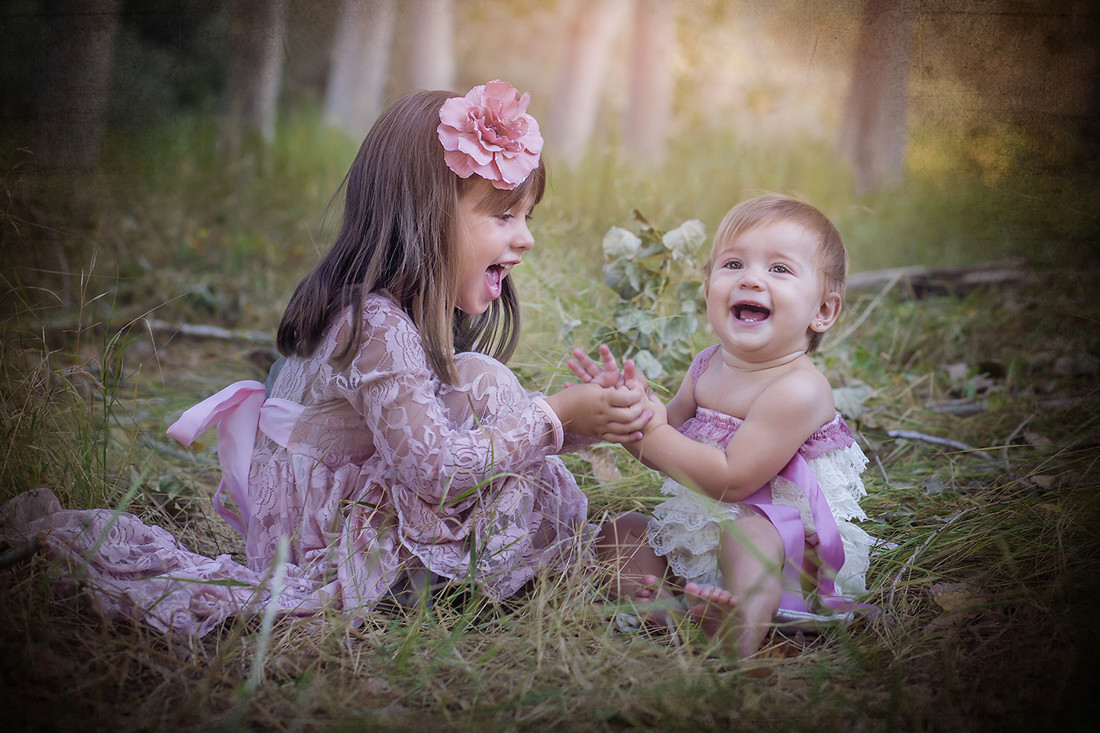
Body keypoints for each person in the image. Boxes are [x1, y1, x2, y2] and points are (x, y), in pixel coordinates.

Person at [0, 81, 649, 639]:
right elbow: (433, 468)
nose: (526, 237)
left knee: (492, 395)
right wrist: (552, 418)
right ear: (423, 216)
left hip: (336, 514)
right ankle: (493, 581)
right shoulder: (374, 322)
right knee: (507, 423)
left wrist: (583, 421)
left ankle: (553, 567)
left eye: (527, 215)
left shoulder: (397, 315)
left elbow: (434, 443)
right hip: (317, 544)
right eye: (504, 213)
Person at [570, 194, 873, 659]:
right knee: (621, 530)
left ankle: (743, 629)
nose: (751, 278)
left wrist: (651, 429)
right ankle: (666, 608)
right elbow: (664, 444)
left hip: (789, 555)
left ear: (823, 312)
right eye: (733, 264)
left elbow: (732, 479)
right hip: (701, 535)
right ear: (708, 285)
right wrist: (632, 407)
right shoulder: (707, 364)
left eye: (779, 269)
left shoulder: (798, 389)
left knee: (750, 535)